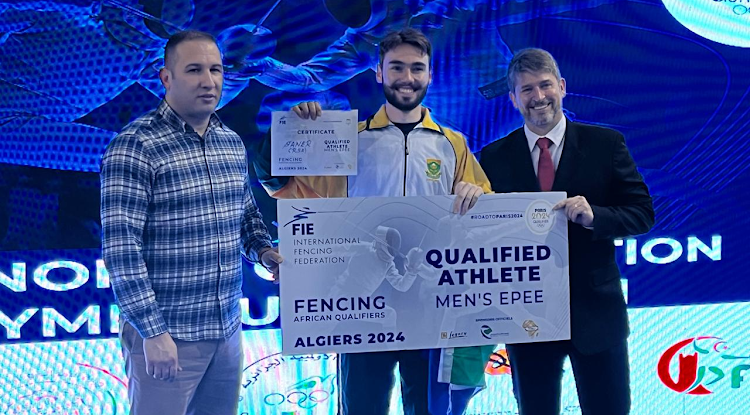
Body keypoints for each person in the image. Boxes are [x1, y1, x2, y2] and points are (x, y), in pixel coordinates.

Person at [255, 28, 493, 415]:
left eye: (417, 68)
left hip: (430, 304)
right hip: (360, 308)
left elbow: (487, 216)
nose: (407, 77)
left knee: (430, 409)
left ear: (430, 75)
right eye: (396, 67)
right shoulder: (347, 141)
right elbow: (277, 184)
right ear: (379, 73)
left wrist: (478, 197)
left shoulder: (453, 144)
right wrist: (287, 134)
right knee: (362, 407)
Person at [100, 30, 283, 415]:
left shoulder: (231, 142)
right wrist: (153, 332)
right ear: (166, 78)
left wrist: (265, 252)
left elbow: (246, 217)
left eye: (216, 69)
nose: (209, 81)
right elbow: (121, 251)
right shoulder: (135, 145)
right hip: (168, 337)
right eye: (195, 70)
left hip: (228, 333)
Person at [479, 48, 654, 415]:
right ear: (513, 99)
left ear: (562, 86)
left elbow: (642, 214)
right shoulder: (493, 157)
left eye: (545, 86)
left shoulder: (605, 145)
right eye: (526, 90)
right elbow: (484, 236)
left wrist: (596, 217)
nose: (538, 97)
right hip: (527, 320)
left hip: (596, 315)